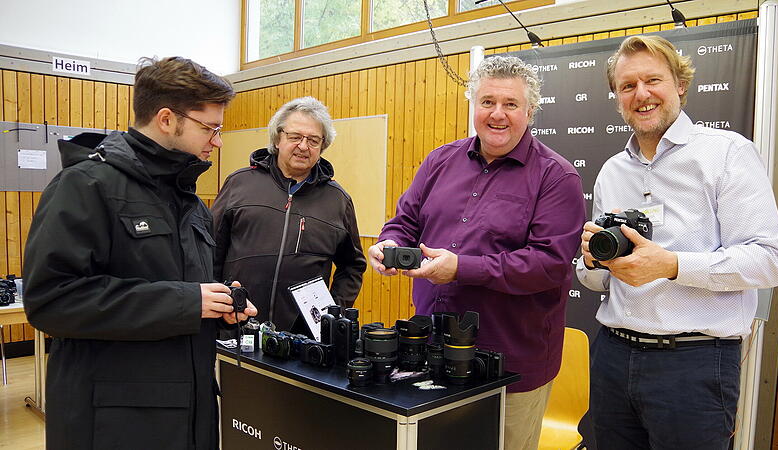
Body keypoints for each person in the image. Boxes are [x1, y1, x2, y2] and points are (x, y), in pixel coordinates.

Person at [23, 57, 257, 450]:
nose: (217, 141)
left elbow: (183, 297)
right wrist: (188, 302)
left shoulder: (191, 203)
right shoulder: (85, 186)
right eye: (210, 128)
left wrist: (218, 308)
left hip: (189, 416)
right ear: (166, 119)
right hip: (116, 425)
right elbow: (51, 300)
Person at [576, 35, 778, 449]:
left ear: (680, 85)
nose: (641, 94)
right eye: (627, 85)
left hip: (694, 365)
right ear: (616, 97)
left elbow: (770, 261)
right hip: (613, 358)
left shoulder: (726, 154)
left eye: (652, 80)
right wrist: (592, 265)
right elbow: (598, 282)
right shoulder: (612, 171)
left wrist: (672, 265)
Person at [367, 55, 584, 450]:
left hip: (512, 366)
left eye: (510, 104)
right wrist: (390, 244)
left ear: (530, 111)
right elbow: (404, 220)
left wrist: (461, 269)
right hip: (433, 350)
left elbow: (548, 265)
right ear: (473, 105)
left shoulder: (557, 177)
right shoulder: (440, 161)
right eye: (487, 102)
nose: (497, 114)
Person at [212, 96, 366, 335]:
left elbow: (352, 266)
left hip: (302, 338)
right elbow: (210, 249)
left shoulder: (338, 200)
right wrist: (219, 304)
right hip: (235, 325)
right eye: (295, 137)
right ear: (277, 138)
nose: (303, 146)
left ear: (322, 146)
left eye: (313, 140)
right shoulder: (239, 184)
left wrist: (334, 313)